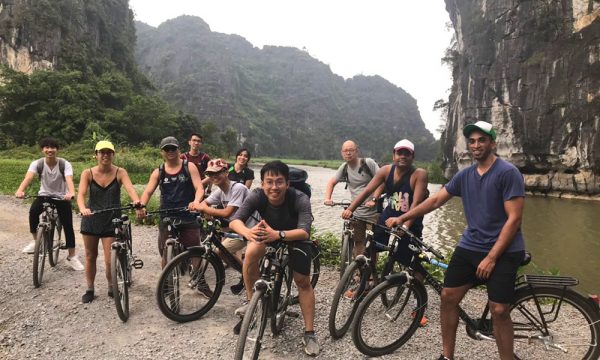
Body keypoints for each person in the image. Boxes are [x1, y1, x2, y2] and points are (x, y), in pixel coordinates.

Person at [387, 121, 526, 360]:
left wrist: (492, 257)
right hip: (470, 246)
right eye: (471, 141)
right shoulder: (465, 175)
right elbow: (435, 201)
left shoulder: (507, 173)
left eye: (482, 140)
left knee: (500, 310)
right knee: (448, 298)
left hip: (504, 250)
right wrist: (403, 217)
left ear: (492, 143)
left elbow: (514, 219)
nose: (476, 145)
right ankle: (447, 356)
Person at [229, 161, 319, 356]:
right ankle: (252, 303)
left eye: (279, 182)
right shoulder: (257, 195)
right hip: (268, 233)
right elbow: (235, 219)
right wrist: (248, 232)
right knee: (251, 254)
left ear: (287, 184)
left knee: (302, 281)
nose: (274, 187)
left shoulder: (300, 198)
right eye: (269, 182)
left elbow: (304, 231)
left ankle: (309, 333)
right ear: (262, 184)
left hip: (294, 237)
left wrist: (279, 235)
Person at [342, 139, 429, 325]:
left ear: (413, 156)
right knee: (370, 249)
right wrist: (351, 208)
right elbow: (367, 191)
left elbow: (416, 205)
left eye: (407, 153)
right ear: (393, 155)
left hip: (410, 222)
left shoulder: (419, 174)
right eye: (400, 153)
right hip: (387, 218)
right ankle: (366, 284)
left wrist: (405, 226)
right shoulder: (385, 171)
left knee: (414, 262)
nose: (403, 156)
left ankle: (418, 305)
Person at [77, 141, 141, 303]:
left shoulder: (120, 172)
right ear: (96, 154)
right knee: (90, 255)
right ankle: (90, 288)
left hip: (112, 221)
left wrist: (137, 202)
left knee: (109, 259)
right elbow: (81, 194)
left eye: (109, 152)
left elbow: (130, 189)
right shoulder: (88, 173)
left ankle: (112, 286)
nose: (105, 155)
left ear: (113, 154)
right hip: (91, 219)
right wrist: (83, 208)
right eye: (102, 152)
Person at [15, 137, 84, 271]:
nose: (49, 150)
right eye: (46, 147)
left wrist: (70, 193)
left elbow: (69, 179)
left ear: (57, 150)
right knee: (33, 212)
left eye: (52, 147)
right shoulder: (37, 163)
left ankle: (72, 256)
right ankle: (37, 242)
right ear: (42, 150)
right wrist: (20, 190)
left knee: (67, 224)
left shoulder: (64, 164)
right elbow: (28, 177)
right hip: (44, 195)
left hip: (61, 197)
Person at [136, 136, 204, 268]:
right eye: (167, 149)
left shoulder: (189, 166)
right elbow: (148, 192)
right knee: (165, 251)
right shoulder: (159, 172)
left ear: (179, 150)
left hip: (187, 213)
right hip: (167, 215)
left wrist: (196, 202)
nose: (170, 151)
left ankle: (198, 278)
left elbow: (199, 187)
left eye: (173, 148)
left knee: (195, 248)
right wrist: (142, 206)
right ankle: (166, 284)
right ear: (162, 152)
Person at [196, 158, 256, 294]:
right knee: (220, 252)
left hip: (254, 229)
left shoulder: (238, 188)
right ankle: (244, 275)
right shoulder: (220, 191)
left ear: (226, 173)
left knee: (253, 263)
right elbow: (204, 203)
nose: (214, 177)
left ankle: (255, 294)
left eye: (217, 173)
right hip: (240, 230)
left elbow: (227, 212)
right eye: (210, 174)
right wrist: (204, 208)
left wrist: (205, 209)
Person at [324, 140, 382, 257]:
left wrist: (374, 199)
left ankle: (371, 273)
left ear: (357, 151)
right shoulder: (344, 167)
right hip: (356, 211)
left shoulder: (368, 163)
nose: (348, 153)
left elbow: (382, 180)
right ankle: (359, 270)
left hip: (373, 212)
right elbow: (332, 182)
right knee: (358, 241)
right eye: (345, 151)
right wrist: (327, 198)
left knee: (372, 244)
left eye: (351, 150)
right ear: (342, 153)